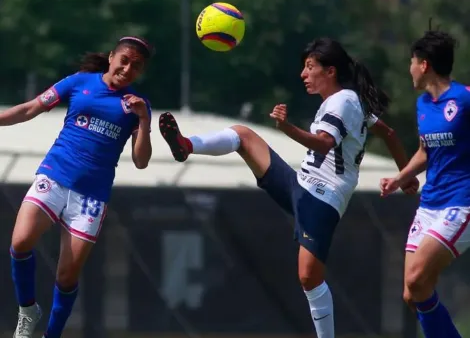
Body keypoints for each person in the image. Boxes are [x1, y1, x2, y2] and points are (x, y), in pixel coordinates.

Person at [159, 37, 418, 338]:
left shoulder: (342, 101)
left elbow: (324, 143)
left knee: (308, 277)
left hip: (322, 198)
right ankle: (185, 145)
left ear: (330, 71)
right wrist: (406, 174)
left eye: (310, 67)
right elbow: (388, 133)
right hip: (300, 185)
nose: (303, 74)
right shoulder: (349, 101)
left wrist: (287, 129)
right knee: (243, 135)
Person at [2, 36, 154, 338]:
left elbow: (141, 161)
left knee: (67, 276)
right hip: (55, 176)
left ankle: (52, 335)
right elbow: (32, 108)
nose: (127, 68)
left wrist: (144, 120)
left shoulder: (136, 105)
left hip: (91, 196)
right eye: (124, 60)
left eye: (136, 66)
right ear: (112, 57)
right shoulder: (79, 82)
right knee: (20, 243)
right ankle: (28, 310)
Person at [381, 30, 466, 338]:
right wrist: (399, 178)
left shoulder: (465, 99)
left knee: (417, 281)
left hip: (461, 203)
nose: (410, 68)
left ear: (425, 64)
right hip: (429, 204)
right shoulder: (422, 105)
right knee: (411, 293)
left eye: (412, 62)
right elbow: (424, 151)